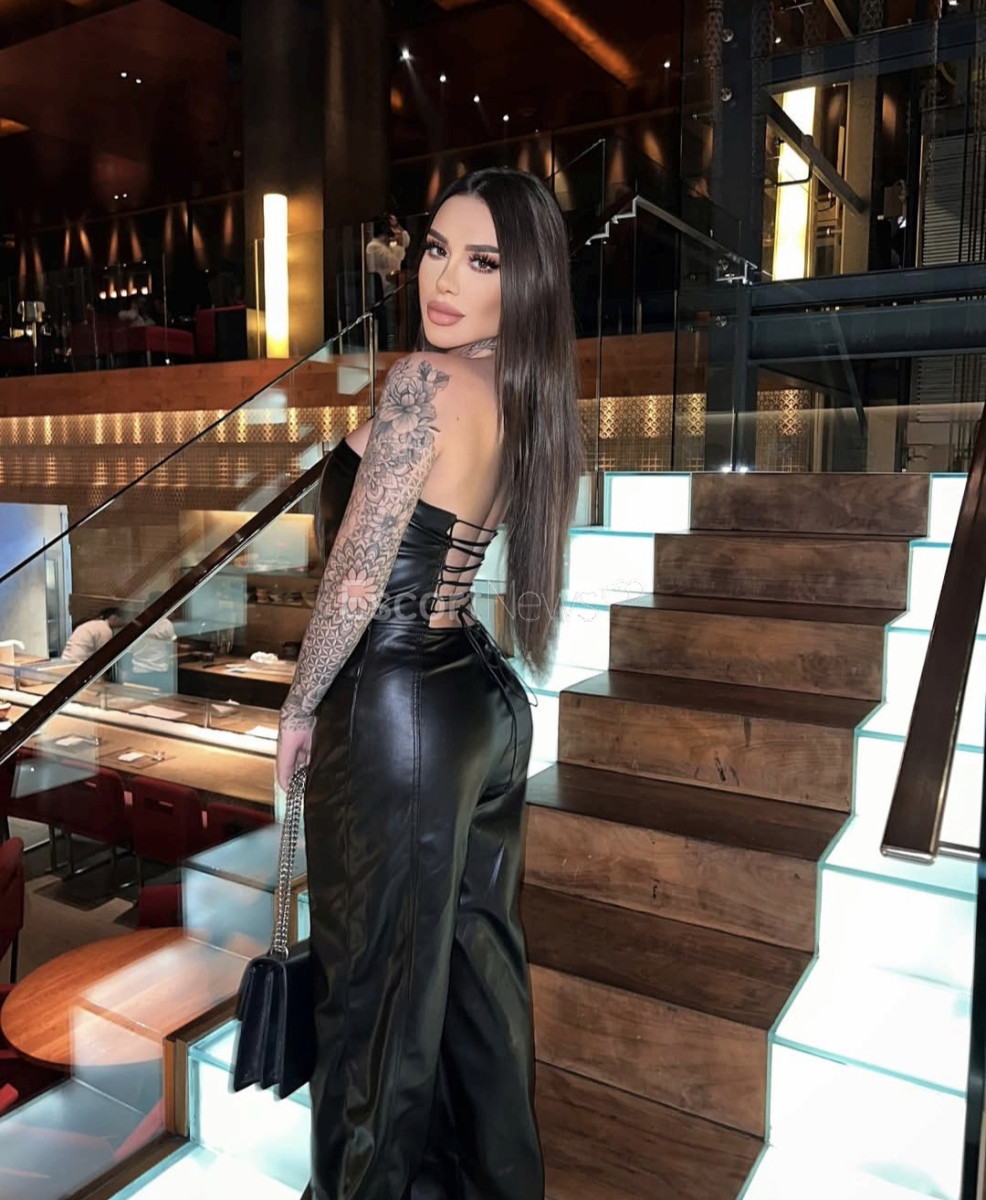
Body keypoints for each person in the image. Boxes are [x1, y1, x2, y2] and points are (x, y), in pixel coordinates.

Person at [275, 167, 583, 1200]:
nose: (443, 280)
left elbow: (359, 577)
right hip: (474, 703)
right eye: (436, 250)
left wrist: (300, 705)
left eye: (481, 261)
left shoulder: (426, 382)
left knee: (371, 999)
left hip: (398, 701)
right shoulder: (522, 393)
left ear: (524, 281)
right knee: (472, 981)